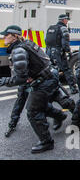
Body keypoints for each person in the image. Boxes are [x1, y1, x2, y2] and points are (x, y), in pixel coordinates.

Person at [0, 25, 67, 153]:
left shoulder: (19, 50)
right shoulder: (27, 43)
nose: (3, 37)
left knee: (33, 111)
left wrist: (4, 81)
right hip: (47, 78)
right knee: (40, 106)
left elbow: (20, 78)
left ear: (14, 37)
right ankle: (59, 115)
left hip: (44, 82)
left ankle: (46, 142)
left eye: (6, 35)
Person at [45, 14, 78, 94]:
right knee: (66, 69)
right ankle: (73, 88)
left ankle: (50, 88)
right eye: (67, 19)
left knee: (51, 70)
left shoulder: (51, 28)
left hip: (49, 51)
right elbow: (65, 42)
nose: (67, 21)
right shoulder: (63, 28)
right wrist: (68, 52)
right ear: (64, 20)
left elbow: (46, 40)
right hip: (58, 52)